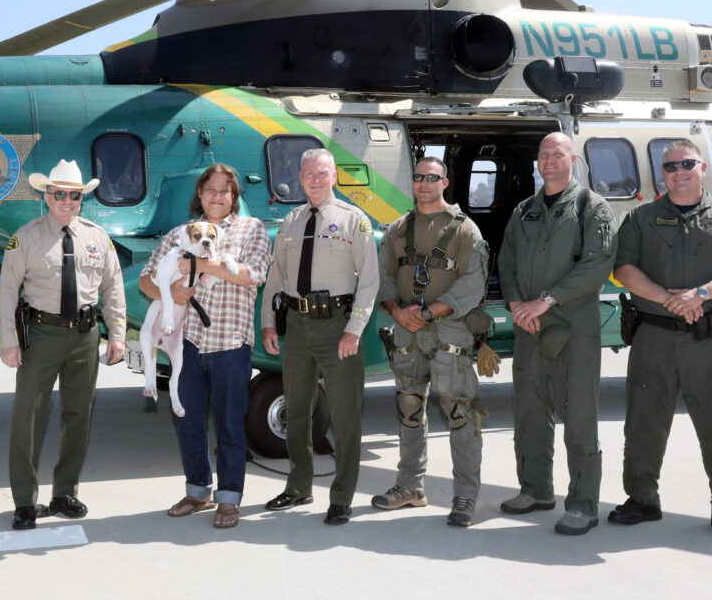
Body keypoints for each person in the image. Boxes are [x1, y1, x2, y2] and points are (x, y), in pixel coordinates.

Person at [609, 139, 712, 542]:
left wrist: (700, 294)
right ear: (661, 174)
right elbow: (624, 268)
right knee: (644, 422)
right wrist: (669, 299)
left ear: (701, 168)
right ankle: (643, 499)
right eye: (669, 167)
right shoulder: (641, 218)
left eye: (686, 164)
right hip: (654, 336)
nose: (678, 172)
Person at [138, 165, 271, 529]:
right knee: (188, 421)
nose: (217, 196)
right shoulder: (178, 234)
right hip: (187, 342)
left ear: (234, 197)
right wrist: (172, 292)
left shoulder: (252, 229)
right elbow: (146, 280)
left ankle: (229, 500)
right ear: (200, 194)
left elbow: (252, 274)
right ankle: (198, 491)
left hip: (231, 342)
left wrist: (200, 262)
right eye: (210, 189)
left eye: (225, 191)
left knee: (231, 424)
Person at [497, 132, 616, 536]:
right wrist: (516, 304)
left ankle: (583, 503)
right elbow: (507, 260)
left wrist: (544, 301)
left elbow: (597, 266)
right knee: (530, 412)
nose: (549, 160)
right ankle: (535, 490)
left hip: (573, 328)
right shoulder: (524, 209)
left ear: (573, 160)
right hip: (528, 327)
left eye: (557, 154)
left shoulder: (592, 207)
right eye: (544, 155)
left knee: (579, 415)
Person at [0, 159, 126, 530]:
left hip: (86, 335)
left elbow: (112, 287)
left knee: (78, 416)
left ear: (82, 198)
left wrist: (116, 333)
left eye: (74, 195)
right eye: (60, 194)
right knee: (28, 417)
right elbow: (7, 291)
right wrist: (9, 342)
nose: (67, 201)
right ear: (46, 196)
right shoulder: (26, 236)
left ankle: (64, 493)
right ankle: (24, 501)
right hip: (41, 335)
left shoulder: (97, 237)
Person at [260, 148, 378, 525]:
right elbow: (275, 276)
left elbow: (370, 282)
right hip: (296, 325)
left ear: (334, 177)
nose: (314, 178)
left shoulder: (352, 220)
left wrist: (354, 330)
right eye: (308, 172)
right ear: (299, 177)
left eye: (322, 172)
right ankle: (298, 486)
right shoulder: (291, 221)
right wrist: (267, 322)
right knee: (296, 411)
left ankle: (341, 496)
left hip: (336, 324)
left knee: (344, 417)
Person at [371, 157, 489, 527]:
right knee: (409, 408)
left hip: (450, 328)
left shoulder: (465, 230)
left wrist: (429, 312)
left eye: (431, 178)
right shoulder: (397, 229)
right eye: (418, 177)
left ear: (445, 183)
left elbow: (472, 284)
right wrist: (396, 311)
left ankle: (465, 496)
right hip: (407, 328)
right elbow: (385, 276)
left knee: (459, 413)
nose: (423, 183)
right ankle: (410, 487)